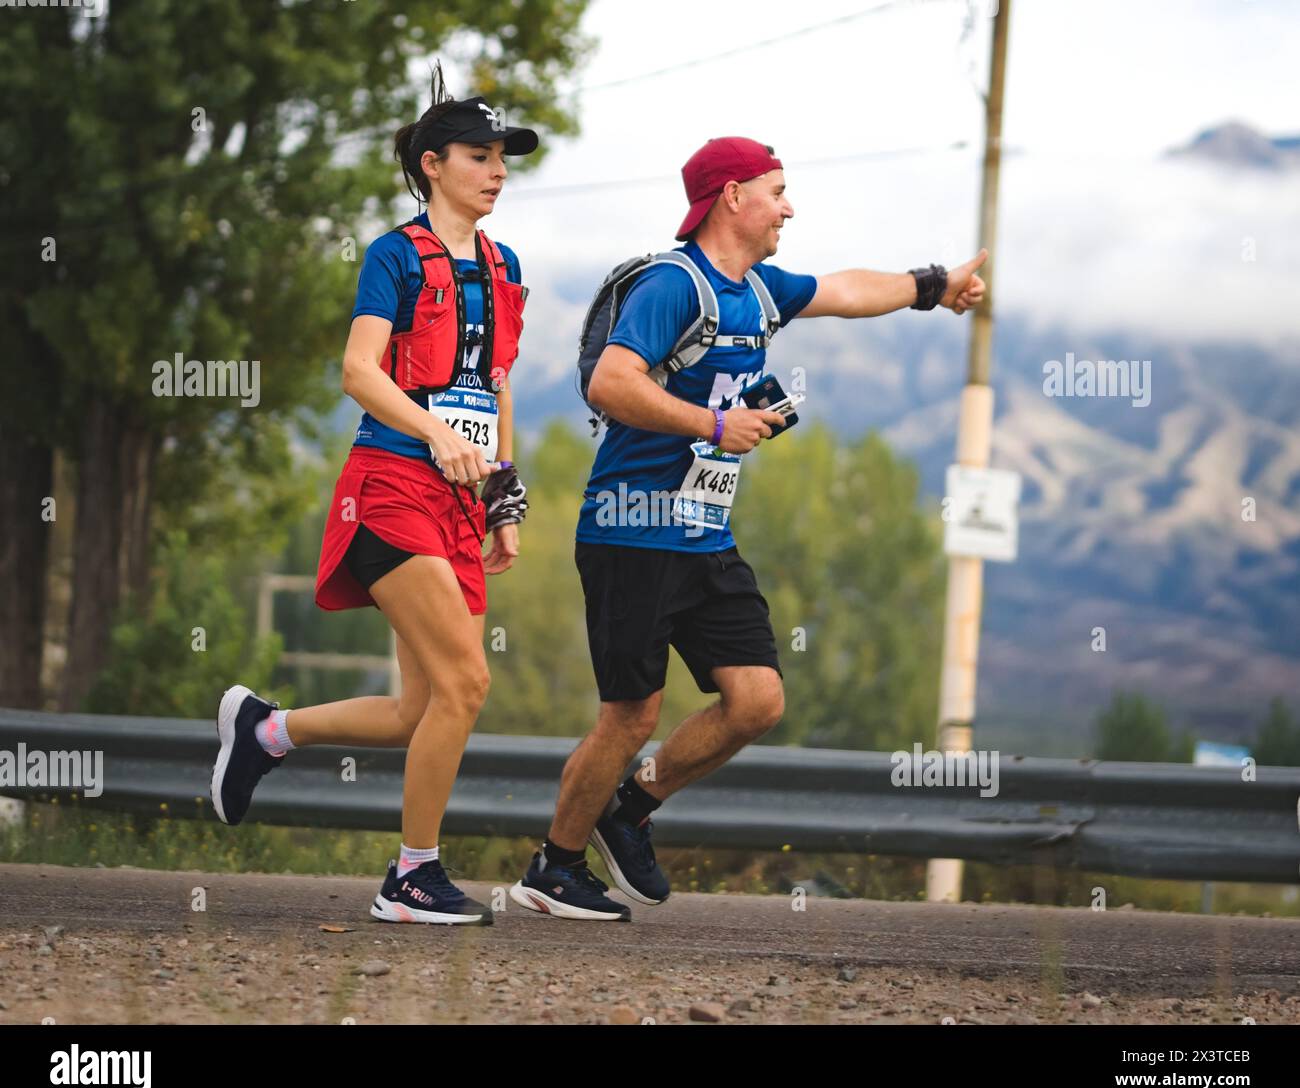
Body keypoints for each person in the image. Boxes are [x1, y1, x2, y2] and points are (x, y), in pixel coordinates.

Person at [510, 136, 986, 920]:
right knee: (630, 716)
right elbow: (611, 381)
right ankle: (554, 867)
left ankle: (629, 808)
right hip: (631, 532)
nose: (789, 206)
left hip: (703, 533)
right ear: (733, 197)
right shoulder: (674, 285)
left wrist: (933, 285)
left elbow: (844, 289)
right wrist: (712, 421)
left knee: (758, 700)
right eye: (777, 190)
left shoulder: (759, 289)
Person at [210, 65, 536, 925]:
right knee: (468, 684)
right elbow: (358, 371)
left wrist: (504, 497)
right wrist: (436, 434)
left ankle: (267, 732)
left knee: (415, 710)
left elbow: (496, 386)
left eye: (504, 157)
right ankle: (411, 877)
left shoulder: (504, 267)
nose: (498, 170)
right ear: (433, 164)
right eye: (480, 154)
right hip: (391, 484)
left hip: (464, 501)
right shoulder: (395, 254)